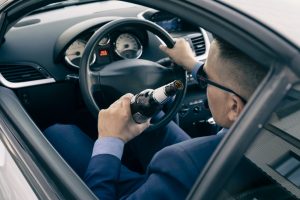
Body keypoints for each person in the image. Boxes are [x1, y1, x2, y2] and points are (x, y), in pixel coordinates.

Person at [44, 36, 268, 200]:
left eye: (208, 79)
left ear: (234, 107)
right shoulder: (279, 103)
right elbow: (241, 84)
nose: (204, 81)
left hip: (189, 182)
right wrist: (192, 64)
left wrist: (110, 139)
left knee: (60, 134)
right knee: (151, 116)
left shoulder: (181, 161)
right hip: (224, 172)